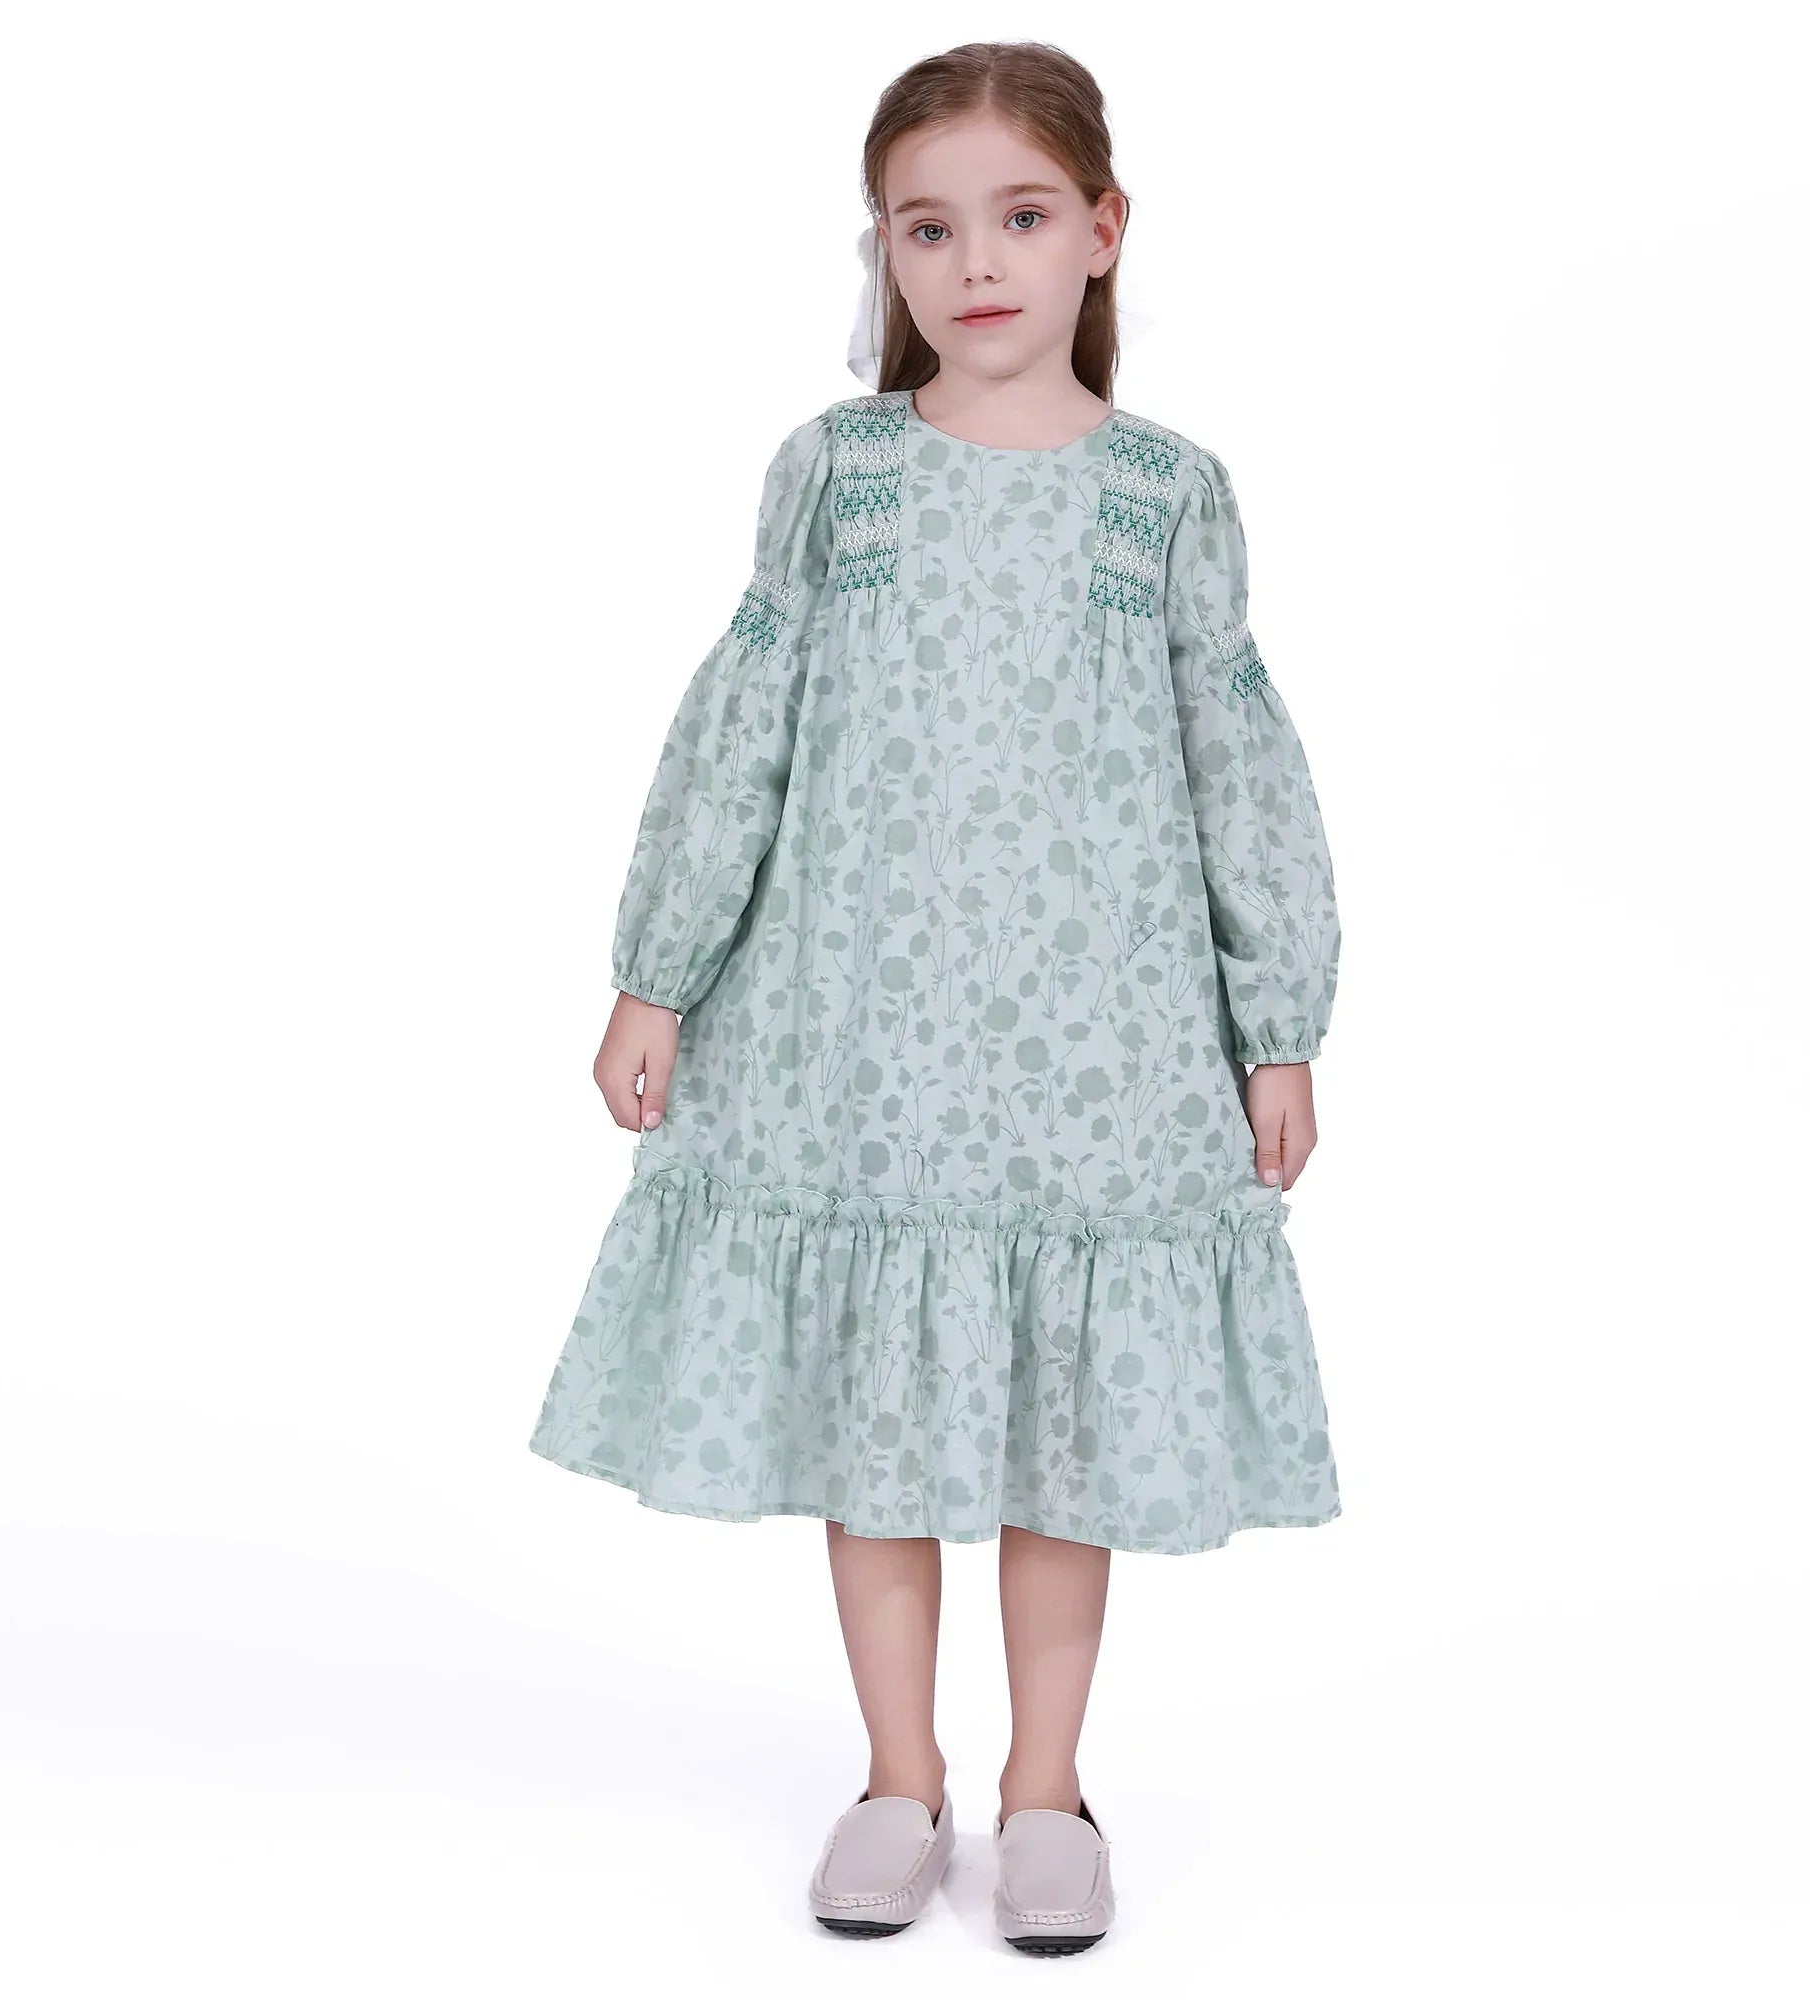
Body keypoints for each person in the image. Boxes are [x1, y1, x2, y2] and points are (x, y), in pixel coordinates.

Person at [527, 40, 1345, 1955]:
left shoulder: (1166, 496)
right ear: (883, 250)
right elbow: (744, 726)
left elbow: (1238, 763)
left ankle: (1045, 1787)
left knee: (1065, 1432)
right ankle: (900, 1774)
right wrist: (660, 974)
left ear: (1103, 231)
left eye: (1021, 216)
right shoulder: (838, 475)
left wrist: (1279, 1023)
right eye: (928, 227)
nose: (976, 262)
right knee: (878, 1420)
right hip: (857, 1037)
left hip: (1097, 1049)